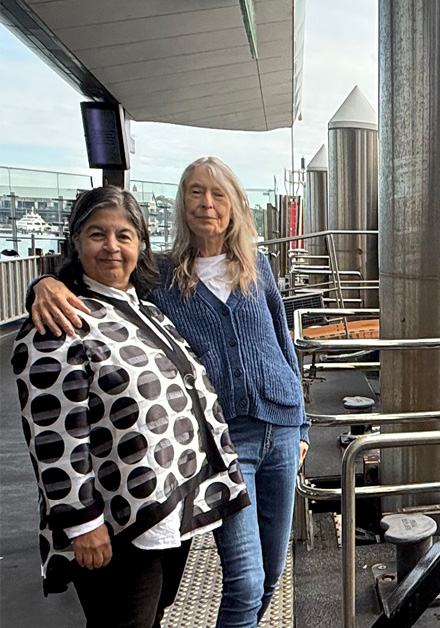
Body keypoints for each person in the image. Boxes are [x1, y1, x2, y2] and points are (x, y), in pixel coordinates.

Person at [28, 157, 309, 628]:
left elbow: (285, 345)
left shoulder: (257, 266)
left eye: (219, 193)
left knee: (271, 574)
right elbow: (103, 280)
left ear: (236, 204)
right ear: (182, 203)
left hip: (281, 431)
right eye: (196, 192)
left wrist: (301, 426)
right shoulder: (162, 274)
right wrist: (45, 282)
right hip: (223, 445)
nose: (207, 203)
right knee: (244, 578)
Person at [11, 186, 249, 628]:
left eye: (124, 235)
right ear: (76, 243)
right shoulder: (60, 322)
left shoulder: (144, 310)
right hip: (115, 524)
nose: (112, 247)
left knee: (152, 617)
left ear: (141, 245)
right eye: (97, 235)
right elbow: (54, 435)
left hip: (164, 509)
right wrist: (82, 523)